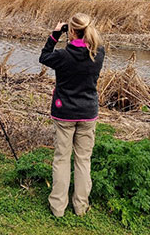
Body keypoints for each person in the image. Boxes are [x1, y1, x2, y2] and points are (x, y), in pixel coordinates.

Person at [39, 13, 105, 217]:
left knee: (61, 159)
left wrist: (55, 34)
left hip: (64, 111)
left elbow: (43, 57)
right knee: (83, 160)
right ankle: (80, 206)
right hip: (87, 112)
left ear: (72, 31)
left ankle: (58, 207)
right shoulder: (98, 53)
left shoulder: (62, 56)